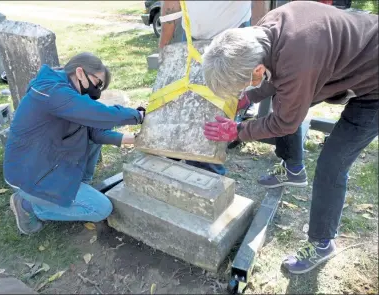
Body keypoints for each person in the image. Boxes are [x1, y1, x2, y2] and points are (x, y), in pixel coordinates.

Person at [201, 1, 378, 274]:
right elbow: (275, 76)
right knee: (284, 102)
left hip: (374, 86)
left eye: (243, 84)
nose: (242, 90)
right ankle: (293, 168)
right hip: (352, 59)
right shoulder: (265, 31)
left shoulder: (298, 59)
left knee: (332, 163)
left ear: (256, 71)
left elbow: (285, 121)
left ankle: (322, 242)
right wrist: (248, 97)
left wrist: (237, 131)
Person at [3, 52, 145, 235]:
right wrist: (138, 115)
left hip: (43, 161)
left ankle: (76, 186)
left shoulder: (66, 90)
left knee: (90, 138)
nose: (98, 90)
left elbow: (92, 130)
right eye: (98, 83)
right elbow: (100, 115)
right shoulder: (53, 92)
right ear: (79, 72)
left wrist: (131, 140)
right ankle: (28, 205)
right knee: (101, 209)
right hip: (29, 175)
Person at [158, 0, 253, 176]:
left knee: (212, 110)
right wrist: (164, 46)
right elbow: (171, 6)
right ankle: (174, 156)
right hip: (193, 36)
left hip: (234, 34)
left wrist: (256, 36)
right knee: (182, 99)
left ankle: (207, 171)